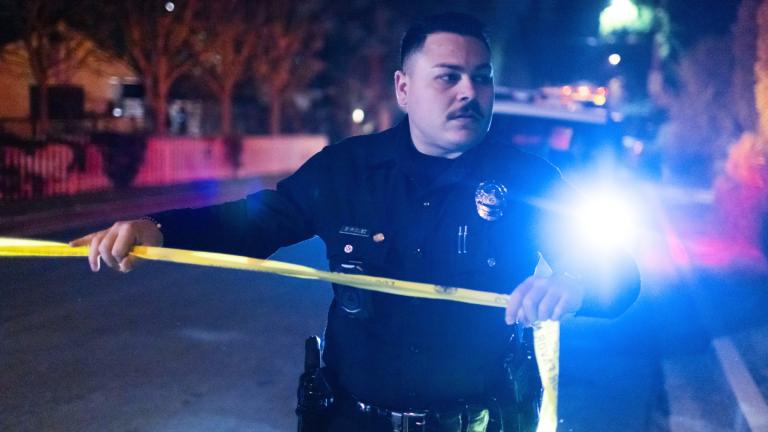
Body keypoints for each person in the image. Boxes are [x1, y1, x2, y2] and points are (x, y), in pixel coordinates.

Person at [71, 12, 640, 432]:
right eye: (448, 77)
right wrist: (156, 230)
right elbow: (255, 222)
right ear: (404, 88)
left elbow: (619, 279)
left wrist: (575, 282)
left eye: (481, 77)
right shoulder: (347, 170)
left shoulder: (531, 180)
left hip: (483, 421)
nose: (470, 92)